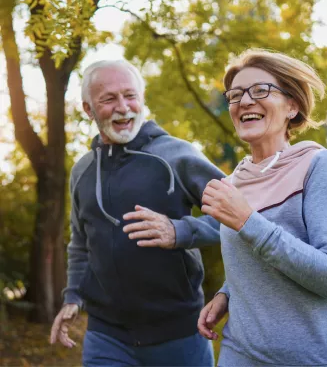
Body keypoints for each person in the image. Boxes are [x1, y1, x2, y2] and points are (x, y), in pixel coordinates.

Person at [198, 49, 327, 367]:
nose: (244, 101)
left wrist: (248, 221)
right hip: (240, 356)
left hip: (318, 359)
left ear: (292, 106)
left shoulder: (319, 165)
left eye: (260, 90)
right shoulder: (233, 182)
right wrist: (228, 293)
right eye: (235, 95)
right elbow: (253, 261)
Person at [49, 59, 225, 366]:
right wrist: (73, 296)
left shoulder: (177, 154)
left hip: (179, 334)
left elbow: (239, 217)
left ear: (142, 100)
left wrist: (180, 231)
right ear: (88, 110)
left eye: (130, 95)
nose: (123, 107)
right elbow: (80, 244)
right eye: (108, 99)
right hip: (106, 337)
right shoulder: (82, 171)